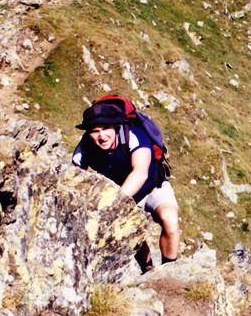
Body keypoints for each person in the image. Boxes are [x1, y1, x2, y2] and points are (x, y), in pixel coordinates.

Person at [72, 102, 179, 273]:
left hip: (152, 186)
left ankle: (170, 270)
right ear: (88, 133)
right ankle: (148, 269)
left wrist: (115, 203)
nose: (102, 136)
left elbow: (140, 173)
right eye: (94, 131)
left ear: (115, 126)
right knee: (131, 231)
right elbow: (73, 175)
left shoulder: (133, 135)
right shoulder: (84, 147)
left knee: (170, 220)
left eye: (106, 128)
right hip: (122, 193)